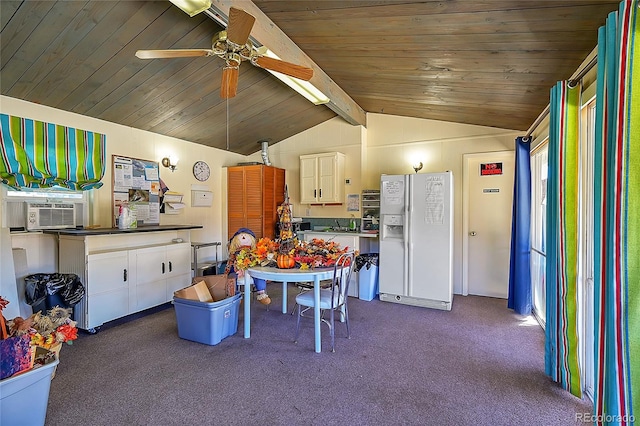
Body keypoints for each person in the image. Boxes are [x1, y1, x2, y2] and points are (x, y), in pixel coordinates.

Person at [223, 228, 271, 305]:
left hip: (251, 270)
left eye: (246, 235)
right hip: (237, 270)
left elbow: (258, 260)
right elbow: (230, 262)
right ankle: (233, 296)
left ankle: (262, 294)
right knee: (231, 278)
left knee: (259, 276)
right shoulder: (234, 253)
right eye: (241, 235)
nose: (243, 235)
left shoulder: (254, 252)